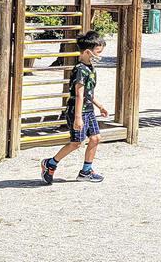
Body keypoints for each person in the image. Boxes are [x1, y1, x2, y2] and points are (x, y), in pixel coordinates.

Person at [40, 31, 109, 184]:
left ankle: (86, 171)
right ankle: (50, 163)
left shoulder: (90, 68)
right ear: (87, 51)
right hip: (77, 111)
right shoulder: (80, 69)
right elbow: (79, 95)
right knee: (76, 143)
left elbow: (88, 93)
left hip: (89, 110)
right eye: (98, 52)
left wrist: (100, 106)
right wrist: (78, 118)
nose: (100, 55)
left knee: (95, 138)